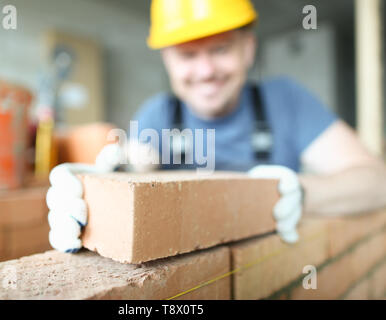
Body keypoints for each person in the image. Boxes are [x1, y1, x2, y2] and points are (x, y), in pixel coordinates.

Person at [46, 0, 386, 253]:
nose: (206, 70)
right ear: (169, 61)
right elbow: (138, 162)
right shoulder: (158, 115)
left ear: (248, 49)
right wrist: (100, 189)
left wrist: (300, 193)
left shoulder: (287, 100)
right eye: (188, 56)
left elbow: (376, 183)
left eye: (220, 49)